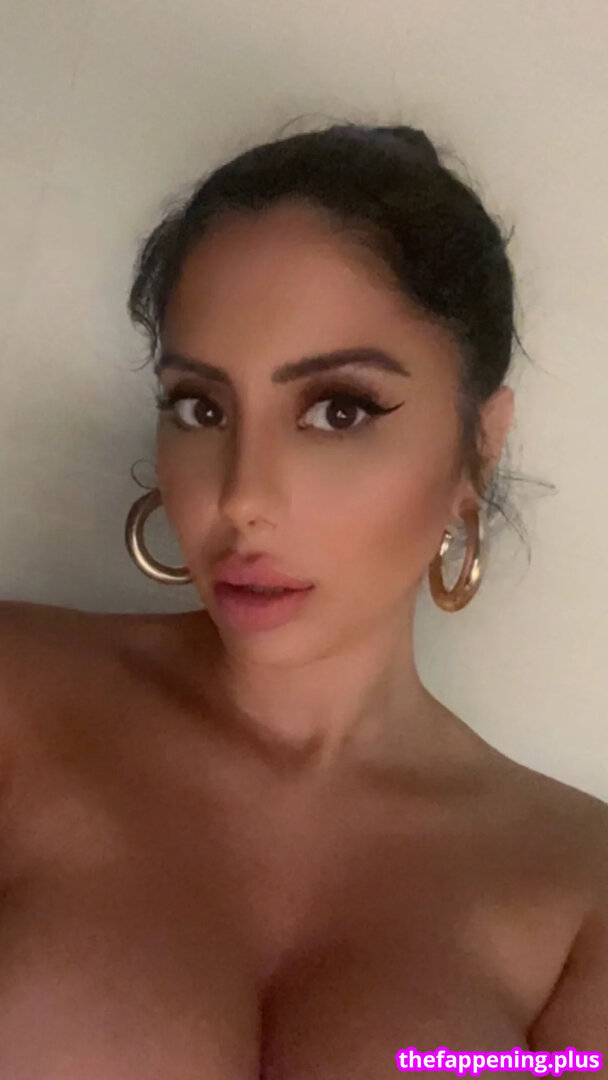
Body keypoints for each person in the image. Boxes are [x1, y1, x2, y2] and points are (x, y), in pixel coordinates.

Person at [0, 119, 606, 1078]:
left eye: (339, 409)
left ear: (478, 448)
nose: (242, 496)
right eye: (201, 407)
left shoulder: (581, 893)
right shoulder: (17, 705)